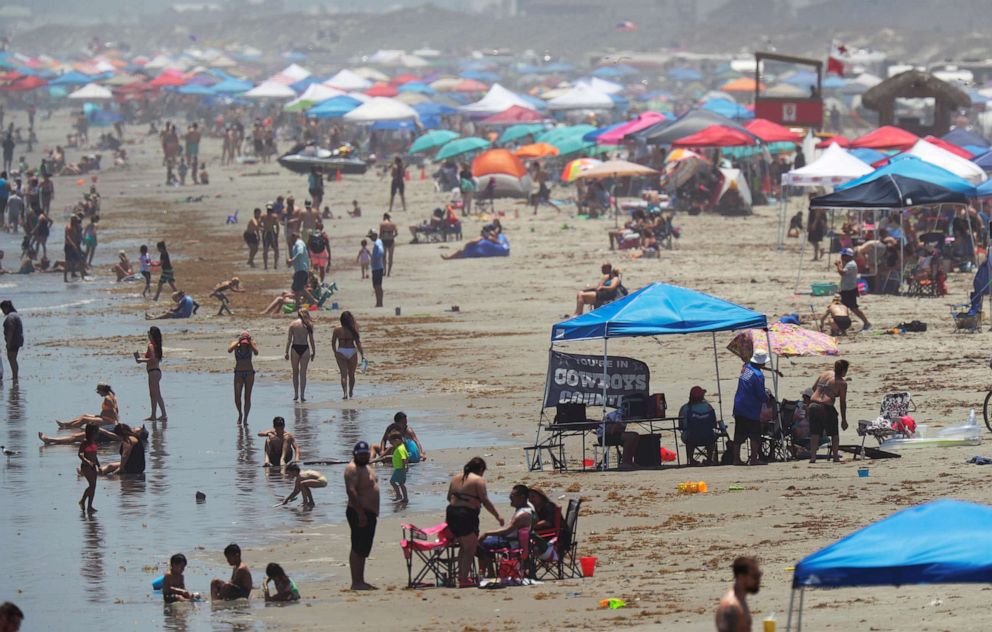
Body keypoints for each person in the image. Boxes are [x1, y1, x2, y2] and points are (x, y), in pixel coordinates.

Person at [446, 457, 502, 587]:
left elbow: (449, 497)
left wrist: (461, 501)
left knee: (464, 547)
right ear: (481, 469)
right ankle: (464, 580)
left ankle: (462, 577)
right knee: (470, 549)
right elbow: (485, 500)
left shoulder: (455, 478)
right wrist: (497, 516)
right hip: (466, 515)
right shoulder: (478, 480)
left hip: (451, 513)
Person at [476, 484, 533, 578]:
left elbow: (507, 531)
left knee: (480, 544)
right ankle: (488, 571)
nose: (510, 498)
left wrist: (487, 533)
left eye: (513, 496)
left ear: (522, 498)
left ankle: (487, 572)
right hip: (508, 538)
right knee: (482, 543)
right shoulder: (522, 509)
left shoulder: (523, 514)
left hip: (511, 542)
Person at [344, 441, 380, 590]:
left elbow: (374, 449)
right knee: (358, 547)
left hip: (369, 512)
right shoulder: (352, 469)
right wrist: (360, 513)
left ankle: (361, 580)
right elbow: (351, 492)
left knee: (364, 547)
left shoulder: (366, 466)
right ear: (354, 454)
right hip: (359, 512)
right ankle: (356, 582)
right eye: (361, 455)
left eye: (366, 454)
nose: (364, 457)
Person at [808, 359, 850, 464]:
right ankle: (835, 456)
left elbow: (813, 388)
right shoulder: (842, 383)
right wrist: (844, 419)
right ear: (844, 371)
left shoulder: (825, 374)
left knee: (815, 433)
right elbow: (842, 403)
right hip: (826, 407)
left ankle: (813, 457)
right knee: (834, 433)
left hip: (813, 405)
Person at [733, 351, 767, 466]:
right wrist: (766, 398)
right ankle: (753, 458)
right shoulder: (758, 376)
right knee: (754, 434)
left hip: (739, 405)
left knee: (739, 434)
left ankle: (736, 458)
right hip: (751, 408)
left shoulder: (746, 369)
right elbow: (760, 394)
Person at [715, 557, 762, 632]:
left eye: (759, 575)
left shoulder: (740, 600)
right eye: (755, 576)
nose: (759, 580)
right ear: (741, 577)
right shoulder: (731, 607)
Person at [679, 386, 722, 466]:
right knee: (710, 435)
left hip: (691, 437)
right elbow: (714, 424)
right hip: (708, 437)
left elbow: (681, 425)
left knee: (689, 435)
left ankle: (691, 459)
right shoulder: (708, 407)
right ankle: (709, 459)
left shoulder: (685, 408)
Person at [135, 326, 167, 421]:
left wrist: (141, 360)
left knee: (156, 394)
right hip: (155, 372)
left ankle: (164, 414)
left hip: (153, 372)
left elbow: (152, 359)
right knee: (153, 394)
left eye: (149, 333)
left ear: (151, 335)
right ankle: (153, 415)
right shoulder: (157, 345)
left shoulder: (151, 345)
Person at [284, 308, 316, 402]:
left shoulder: (293, 324)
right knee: (303, 373)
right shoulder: (308, 325)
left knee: (295, 372)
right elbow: (311, 340)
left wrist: (286, 351)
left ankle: (295, 394)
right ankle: (302, 395)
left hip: (295, 348)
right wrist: (314, 351)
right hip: (305, 348)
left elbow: (289, 339)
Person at [332, 311, 364, 399]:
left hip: (341, 351)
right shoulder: (354, 328)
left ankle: (345, 393)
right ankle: (351, 392)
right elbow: (358, 343)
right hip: (352, 351)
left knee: (343, 374)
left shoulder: (337, 329)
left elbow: (333, 343)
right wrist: (362, 354)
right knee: (351, 374)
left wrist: (335, 352)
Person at [836, 248, 870, 331]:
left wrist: (838, 265)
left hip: (849, 290)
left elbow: (842, 273)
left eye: (843, 256)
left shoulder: (851, 264)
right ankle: (844, 325)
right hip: (846, 289)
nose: (842, 257)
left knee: (854, 308)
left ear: (848, 256)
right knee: (844, 307)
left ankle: (866, 323)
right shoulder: (849, 263)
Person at [228, 330, 258, 424]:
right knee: (237, 396)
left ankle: (245, 418)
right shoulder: (235, 344)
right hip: (238, 373)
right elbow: (229, 350)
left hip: (249, 373)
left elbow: (256, 352)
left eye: (245, 342)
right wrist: (239, 341)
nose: (244, 344)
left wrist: (249, 342)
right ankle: (240, 414)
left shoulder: (251, 344)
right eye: (243, 342)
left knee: (247, 397)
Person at [286, 232, 314, 309]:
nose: (290, 242)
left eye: (291, 240)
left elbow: (300, 253)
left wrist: (292, 260)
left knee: (298, 288)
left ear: (294, 237)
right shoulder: (297, 244)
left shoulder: (299, 243)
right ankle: (297, 304)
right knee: (298, 288)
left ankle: (312, 300)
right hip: (300, 269)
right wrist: (291, 263)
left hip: (301, 269)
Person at [78, 423, 100, 513]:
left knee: (93, 487)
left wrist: (99, 465)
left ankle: (89, 506)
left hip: (93, 466)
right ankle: (82, 501)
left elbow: (95, 456)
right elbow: (80, 454)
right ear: (92, 432)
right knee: (92, 485)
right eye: (96, 432)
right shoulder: (85, 442)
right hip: (86, 466)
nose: (97, 434)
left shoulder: (94, 442)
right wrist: (87, 461)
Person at [1, 300, 22, 382]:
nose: (3, 312)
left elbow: (10, 331)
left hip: (13, 341)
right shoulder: (15, 315)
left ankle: (15, 376)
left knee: (11, 359)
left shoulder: (10, 318)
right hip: (18, 340)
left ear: (6, 308)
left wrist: (8, 343)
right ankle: (15, 375)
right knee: (13, 359)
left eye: (3, 310)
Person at [387, 431, 409, 503]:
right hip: (399, 468)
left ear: (397, 440)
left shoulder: (400, 449)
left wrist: (405, 467)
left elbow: (404, 458)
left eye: (392, 442)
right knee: (401, 483)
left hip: (400, 469)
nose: (392, 444)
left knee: (392, 482)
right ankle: (405, 498)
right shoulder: (401, 447)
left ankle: (399, 495)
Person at [367, 229, 385, 307]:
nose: (370, 238)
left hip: (377, 268)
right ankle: (378, 302)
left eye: (371, 236)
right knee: (376, 286)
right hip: (376, 268)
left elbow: (381, 252)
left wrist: (375, 260)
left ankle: (379, 302)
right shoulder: (378, 242)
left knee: (377, 286)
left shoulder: (377, 243)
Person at [260, 204, 280, 270]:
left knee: (276, 249)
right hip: (266, 233)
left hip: (272, 233)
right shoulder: (263, 216)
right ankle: (265, 266)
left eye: (270, 210)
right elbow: (259, 223)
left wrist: (277, 234)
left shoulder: (274, 217)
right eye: (268, 210)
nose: (269, 212)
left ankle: (275, 265)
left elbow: (277, 225)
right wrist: (262, 229)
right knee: (265, 250)